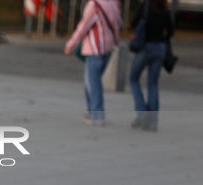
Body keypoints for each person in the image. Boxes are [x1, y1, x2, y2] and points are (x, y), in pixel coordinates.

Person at [64, 0, 122, 126]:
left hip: (95, 48)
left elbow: (84, 26)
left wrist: (71, 44)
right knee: (90, 80)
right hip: (108, 47)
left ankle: (97, 114)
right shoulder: (115, 3)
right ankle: (92, 112)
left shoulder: (94, 4)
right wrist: (116, 41)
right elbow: (117, 24)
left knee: (93, 82)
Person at [128, 0, 174, 131]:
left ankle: (142, 112)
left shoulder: (146, 6)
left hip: (145, 46)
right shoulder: (166, 9)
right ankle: (152, 123)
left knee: (133, 78)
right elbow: (170, 31)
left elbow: (134, 22)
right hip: (160, 48)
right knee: (153, 84)